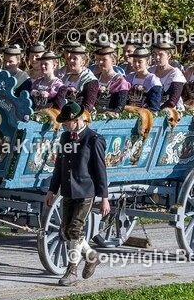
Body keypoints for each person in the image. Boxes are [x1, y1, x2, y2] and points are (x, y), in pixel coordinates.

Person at [45, 102, 110, 286]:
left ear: (77, 120)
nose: (65, 126)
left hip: (85, 191)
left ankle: (71, 271)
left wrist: (104, 198)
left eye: (68, 123)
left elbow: (100, 170)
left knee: (75, 229)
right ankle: (91, 256)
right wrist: (52, 190)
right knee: (66, 230)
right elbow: (59, 166)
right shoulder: (65, 138)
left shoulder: (94, 139)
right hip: (68, 190)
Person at [56, 44, 99, 111]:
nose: (71, 61)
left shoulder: (90, 80)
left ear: (83, 62)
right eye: (70, 58)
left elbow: (88, 106)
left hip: (79, 115)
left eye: (75, 59)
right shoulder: (65, 77)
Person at [92, 45, 130, 114]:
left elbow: (119, 109)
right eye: (99, 59)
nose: (100, 62)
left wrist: (106, 113)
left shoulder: (121, 82)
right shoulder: (94, 78)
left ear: (112, 60)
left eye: (104, 60)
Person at [151, 40, 186, 110]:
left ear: (169, 56)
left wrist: (157, 110)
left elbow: (173, 101)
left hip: (171, 110)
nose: (157, 57)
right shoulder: (150, 71)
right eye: (155, 54)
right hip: (151, 108)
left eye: (160, 55)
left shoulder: (176, 74)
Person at [124, 47, 163, 111]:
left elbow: (154, 108)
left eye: (140, 62)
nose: (136, 64)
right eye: (134, 61)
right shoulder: (129, 78)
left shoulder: (153, 80)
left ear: (147, 62)